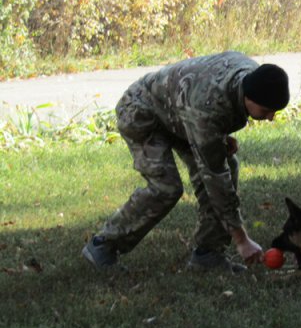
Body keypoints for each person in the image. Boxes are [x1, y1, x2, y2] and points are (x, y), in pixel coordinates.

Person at [82, 51, 290, 273]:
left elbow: (202, 116)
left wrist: (217, 137)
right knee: (166, 187)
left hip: (178, 114)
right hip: (142, 111)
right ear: (249, 97)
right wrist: (242, 240)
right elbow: (215, 178)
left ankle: (208, 255)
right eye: (267, 111)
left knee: (228, 163)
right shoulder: (208, 106)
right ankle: (102, 245)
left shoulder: (251, 75)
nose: (270, 117)